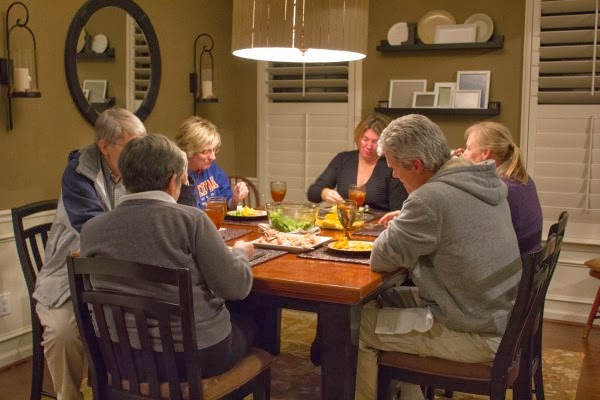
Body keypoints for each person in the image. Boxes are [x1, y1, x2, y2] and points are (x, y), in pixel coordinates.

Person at [355, 114, 522, 400]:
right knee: (380, 299)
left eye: (395, 168)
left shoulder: (429, 199)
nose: (394, 176)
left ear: (417, 165)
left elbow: (380, 258)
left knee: (355, 329)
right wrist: (409, 218)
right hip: (495, 315)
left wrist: (403, 220)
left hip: (475, 333)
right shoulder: (477, 179)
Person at [79, 134, 256, 379]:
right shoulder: (192, 221)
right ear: (173, 180)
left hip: (120, 355)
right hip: (191, 357)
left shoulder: (91, 229)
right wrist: (241, 253)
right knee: (253, 320)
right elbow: (235, 287)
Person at [33, 107, 147, 399]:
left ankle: (126, 391)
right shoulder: (78, 175)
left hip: (117, 274)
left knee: (151, 320)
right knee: (62, 333)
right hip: (68, 276)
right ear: (105, 147)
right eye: (131, 146)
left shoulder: (137, 170)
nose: (139, 154)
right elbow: (93, 230)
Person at [452, 121, 543, 254]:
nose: (463, 153)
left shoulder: (499, 189)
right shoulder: (518, 177)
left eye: (468, 148)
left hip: (514, 262)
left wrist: (448, 170)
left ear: (485, 153)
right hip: (528, 258)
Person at [307, 113, 408, 211]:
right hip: (345, 220)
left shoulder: (392, 166)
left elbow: (398, 211)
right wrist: (324, 193)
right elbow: (312, 193)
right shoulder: (343, 159)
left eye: (375, 142)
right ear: (359, 137)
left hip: (380, 222)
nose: (369, 146)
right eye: (365, 139)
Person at [175, 116, 248, 210]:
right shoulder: (176, 178)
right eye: (205, 151)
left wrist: (235, 199)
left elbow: (229, 206)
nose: (213, 157)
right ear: (188, 150)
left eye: (214, 150)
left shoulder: (214, 170)